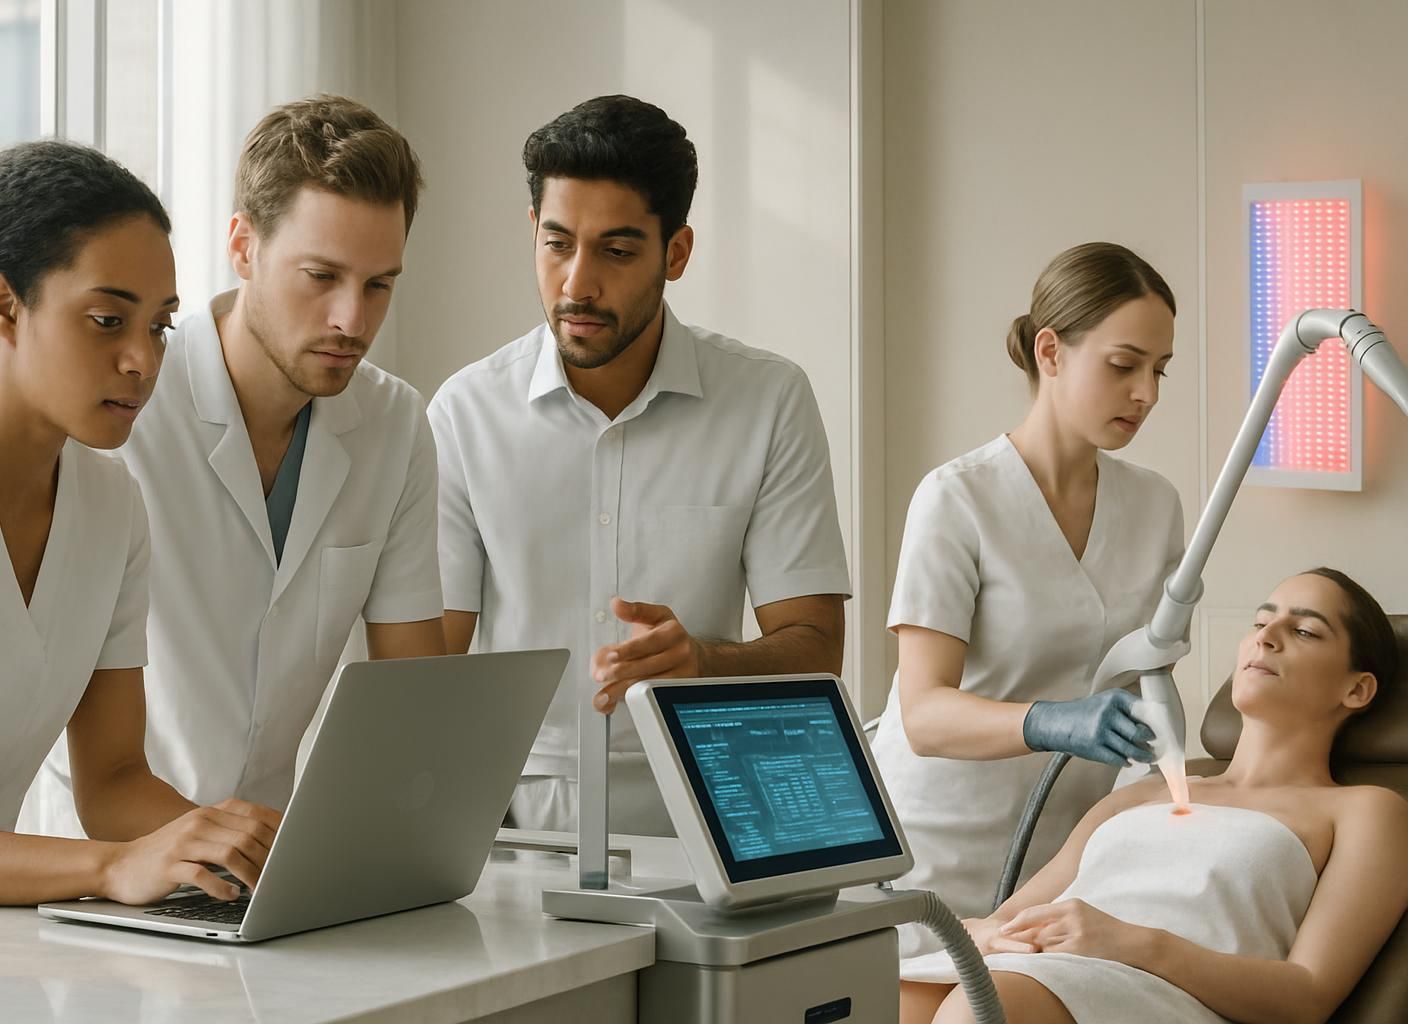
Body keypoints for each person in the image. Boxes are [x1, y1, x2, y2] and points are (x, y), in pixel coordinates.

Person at [429, 95, 851, 835]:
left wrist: (702, 663)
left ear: (676, 253)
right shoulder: (465, 413)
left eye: (616, 252)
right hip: (515, 819)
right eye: (558, 244)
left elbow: (816, 651)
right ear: (534, 232)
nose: (576, 285)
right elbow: (428, 667)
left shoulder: (768, 400)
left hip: (710, 809)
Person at [24, 96, 445, 835]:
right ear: (243, 247)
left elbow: (413, 705)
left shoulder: (396, 424)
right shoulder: (123, 402)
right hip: (104, 856)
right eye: (321, 276)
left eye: (380, 284)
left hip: (267, 862)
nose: (353, 319)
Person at [0, 140, 278, 905]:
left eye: (159, 326)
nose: (141, 361)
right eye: (105, 320)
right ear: (2, 307)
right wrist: (108, 868)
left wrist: (250, 851)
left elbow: (114, 780)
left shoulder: (112, 505)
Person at [901, 568, 1408, 1024]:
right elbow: (1003, 920)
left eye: (1303, 630)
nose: (1267, 638)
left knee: (981, 1006)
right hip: (1036, 969)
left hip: (1165, 993)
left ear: (1358, 689)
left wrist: (1129, 942)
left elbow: (1308, 996)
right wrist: (988, 937)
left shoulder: (1365, 810)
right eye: (1259, 623)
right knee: (869, 996)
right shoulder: (1146, 792)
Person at [870, 242, 1185, 956]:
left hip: (1061, 867)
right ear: (1051, 352)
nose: (1147, 394)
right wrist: (1052, 722)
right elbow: (923, 715)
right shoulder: (958, 499)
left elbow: (1152, 685)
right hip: (929, 856)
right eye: (1123, 365)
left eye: (1159, 370)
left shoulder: (1155, 507)